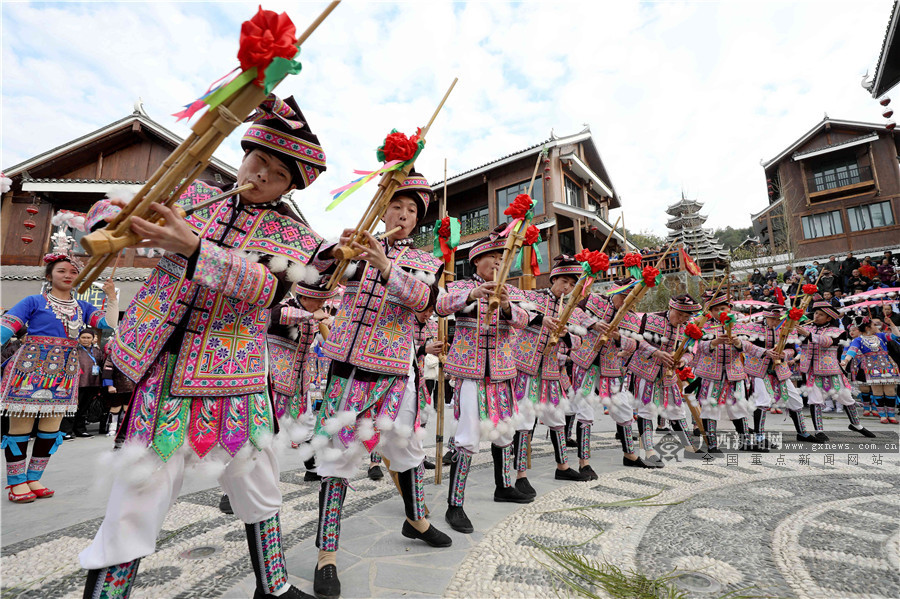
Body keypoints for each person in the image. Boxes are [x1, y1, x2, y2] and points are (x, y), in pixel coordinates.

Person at [79, 95, 327, 599]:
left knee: (259, 488)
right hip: (162, 374)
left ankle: (273, 585)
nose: (260, 175)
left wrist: (193, 247)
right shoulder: (190, 190)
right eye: (257, 160)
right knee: (138, 495)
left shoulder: (297, 237)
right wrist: (110, 224)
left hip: (237, 379)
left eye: (277, 173)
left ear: (291, 186)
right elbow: (118, 204)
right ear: (243, 153)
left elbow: (266, 288)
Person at [309, 170, 451, 599]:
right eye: (397, 206)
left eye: (412, 211)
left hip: (395, 375)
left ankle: (417, 520)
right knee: (338, 460)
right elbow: (313, 283)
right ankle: (326, 554)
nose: (404, 216)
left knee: (406, 452)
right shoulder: (354, 246)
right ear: (382, 206)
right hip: (346, 374)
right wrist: (335, 253)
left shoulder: (427, 262)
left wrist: (386, 266)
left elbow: (425, 303)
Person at [436, 226, 531, 535]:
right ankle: (455, 505)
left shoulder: (512, 291)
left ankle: (504, 486)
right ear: (476, 261)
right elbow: (440, 306)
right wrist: (472, 295)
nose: (497, 263)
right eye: (491, 257)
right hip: (470, 373)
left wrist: (505, 306)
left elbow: (526, 320)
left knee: (505, 432)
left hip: (502, 372)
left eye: (501, 258)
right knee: (467, 437)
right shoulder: (460, 285)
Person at [1, 255, 117, 504]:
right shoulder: (34, 301)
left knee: (50, 431)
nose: (68, 275)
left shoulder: (83, 307)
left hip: (64, 373)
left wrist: (111, 296)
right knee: (20, 429)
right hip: (29, 370)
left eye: (73, 272)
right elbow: (6, 328)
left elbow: (109, 324)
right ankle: (16, 483)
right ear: (48, 276)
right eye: (62, 271)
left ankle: (33, 478)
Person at [512, 255, 589, 495]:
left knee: (557, 418)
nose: (566, 287)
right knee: (524, 420)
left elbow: (580, 340)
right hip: (526, 367)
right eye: (563, 281)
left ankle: (563, 466)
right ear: (553, 278)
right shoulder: (531, 297)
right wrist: (541, 320)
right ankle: (520, 474)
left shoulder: (571, 309)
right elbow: (515, 317)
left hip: (551, 371)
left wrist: (566, 335)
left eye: (571, 284)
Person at [569, 278, 647, 468]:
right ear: (616, 292)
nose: (628, 301)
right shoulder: (594, 300)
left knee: (623, 407)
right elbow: (573, 312)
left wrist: (619, 337)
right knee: (585, 409)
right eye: (624, 296)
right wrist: (592, 324)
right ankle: (583, 462)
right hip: (584, 362)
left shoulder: (633, 318)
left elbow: (634, 345)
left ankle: (630, 455)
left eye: (633, 298)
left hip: (611, 367)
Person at [626, 294, 703, 466]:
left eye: (686, 316)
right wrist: (656, 352)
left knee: (677, 410)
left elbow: (691, 352)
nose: (682, 319)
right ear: (671, 308)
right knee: (647, 410)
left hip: (669, 375)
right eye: (679, 314)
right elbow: (636, 340)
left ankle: (689, 448)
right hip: (645, 371)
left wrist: (684, 361)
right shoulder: (650, 319)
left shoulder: (688, 328)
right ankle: (648, 451)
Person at [794, 300, 876, 442]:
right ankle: (819, 430)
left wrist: (807, 334)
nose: (816, 316)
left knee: (846, 397)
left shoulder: (838, 331)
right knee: (815, 400)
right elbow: (798, 341)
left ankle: (856, 424)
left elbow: (828, 342)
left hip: (831, 370)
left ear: (829, 318)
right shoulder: (807, 328)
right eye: (816, 313)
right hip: (812, 370)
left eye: (820, 314)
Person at [740, 305, 820, 445]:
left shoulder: (787, 328)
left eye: (778, 319)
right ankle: (759, 437)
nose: (775, 322)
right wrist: (765, 352)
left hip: (779, 369)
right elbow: (745, 345)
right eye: (773, 319)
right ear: (766, 317)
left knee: (795, 400)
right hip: (759, 369)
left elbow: (792, 350)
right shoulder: (753, 327)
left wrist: (785, 354)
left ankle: (802, 432)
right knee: (762, 401)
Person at [691, 291, 753, 453]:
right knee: (710, 408)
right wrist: (714, 342)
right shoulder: (703, 326)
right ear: (710, 312)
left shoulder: (739, 325)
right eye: (716, 309)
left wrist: (739, 343)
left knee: (739, 407)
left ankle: (745, 440)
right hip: (711, 373)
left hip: (734, 373)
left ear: (730, 308)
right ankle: (712, 444)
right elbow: (698, 348)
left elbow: (747, 346)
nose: (720, 312)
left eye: (723, 308)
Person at [841, 316, 900, 424]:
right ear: (867, 328)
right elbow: (852, 351)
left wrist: (890, 323)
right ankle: (882, 415)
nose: (875, 326)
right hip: (871, 366)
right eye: (873, 325)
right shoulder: (858, 340)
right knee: (877, 391)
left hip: (887, 365)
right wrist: (846, 361)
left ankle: (891, 415)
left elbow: (896, 335)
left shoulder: (880, 336)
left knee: (890, 391)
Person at [100, 339, 133, 444]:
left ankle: (124, 429)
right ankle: (112, 428)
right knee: (115, 407)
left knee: (127, 408)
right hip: (117, 386)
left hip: (131, 387)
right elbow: (107, 370)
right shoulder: (112, 356)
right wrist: (109, 385)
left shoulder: (134, 357)